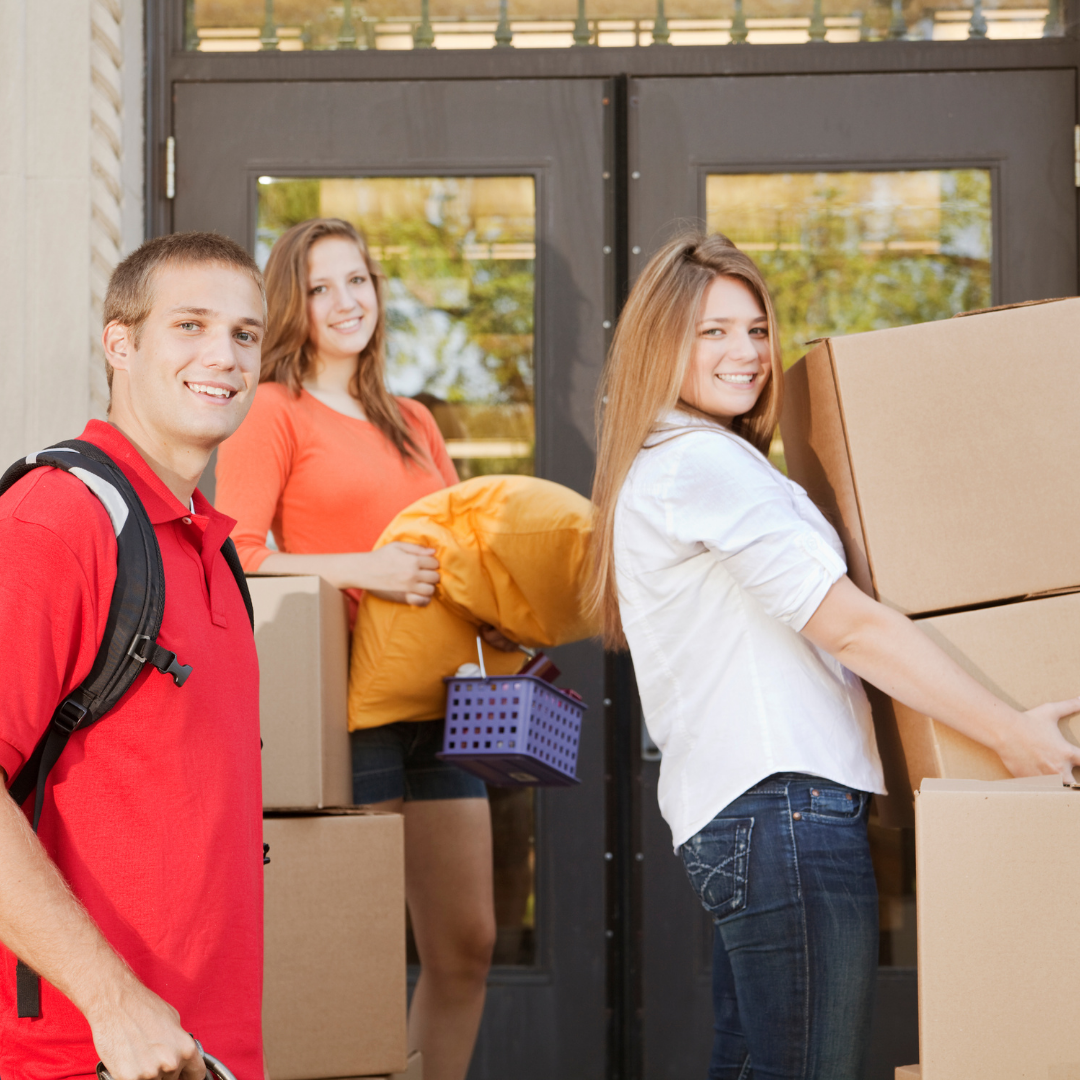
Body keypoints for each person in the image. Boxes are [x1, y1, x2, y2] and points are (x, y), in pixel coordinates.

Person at [587, 232, 1080, 1080]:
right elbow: (852, 628)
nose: (745, 354)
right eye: (712, 333)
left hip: (757, 814)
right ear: (657, 344)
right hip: (784, 812)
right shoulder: (701, 464)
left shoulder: (681, 462)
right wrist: (1007, 733)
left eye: (755, 329)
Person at [215, 218, 506, 1080]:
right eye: (320, 287)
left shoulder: (413, 417)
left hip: (443, 701)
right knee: (365, 950)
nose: (346, 302)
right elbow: (238, 551)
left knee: (469, 941)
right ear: (290, 306)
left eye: (359, 281)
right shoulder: (270, 410)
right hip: (346, 710)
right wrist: (365, 569)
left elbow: (457, 544)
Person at [0, 232, 267, 1079]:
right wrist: (113, 1002)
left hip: (204, 1052)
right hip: (76, 1055)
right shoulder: (57, 524)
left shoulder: (213, 551)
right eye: (189, 325)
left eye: (245, 335)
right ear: (120, 342)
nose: (222, 356)